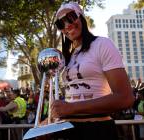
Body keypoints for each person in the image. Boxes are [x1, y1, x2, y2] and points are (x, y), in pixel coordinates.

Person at [45, 2, 135, 140]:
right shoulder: (67, 57)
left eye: (70, 17)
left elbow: (125, 98)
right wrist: (46, 124)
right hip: (68, 130)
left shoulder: (102, 44)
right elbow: (69, 100)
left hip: (98, 131)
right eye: (60, 24)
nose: (67, 25)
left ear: (81, 17)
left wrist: (72, 108)